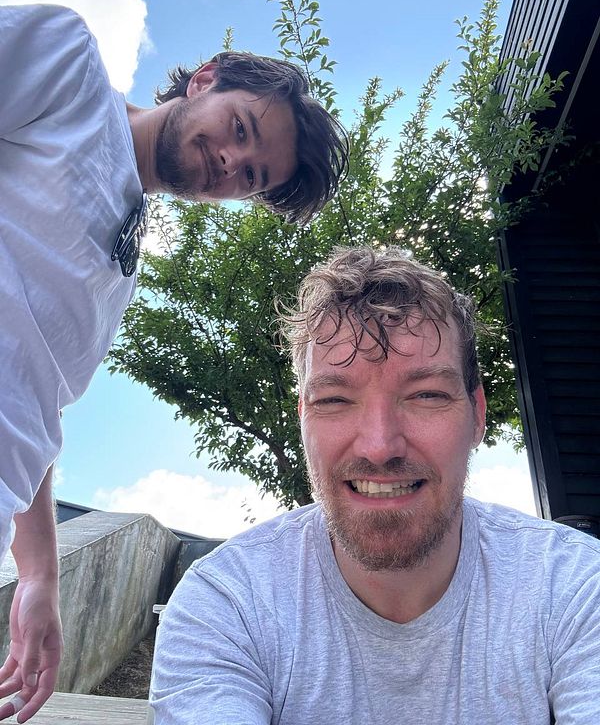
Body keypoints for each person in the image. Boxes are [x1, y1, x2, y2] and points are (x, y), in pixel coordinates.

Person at [0, 3, 348, 722]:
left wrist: (39, 575)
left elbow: (33, 407)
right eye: (241, 129)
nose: (229, 163)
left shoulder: (120, 275)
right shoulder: (69, 64)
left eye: (249, 176)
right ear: (206, 80)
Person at [150, 245, 600, 724]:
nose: (380, 446)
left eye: (426, 394)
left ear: (478, 415)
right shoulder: (225, 605)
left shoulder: (575, 587)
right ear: (303, 419)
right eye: (335, 399)